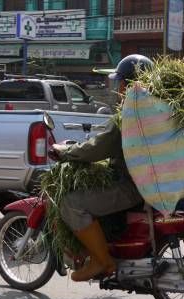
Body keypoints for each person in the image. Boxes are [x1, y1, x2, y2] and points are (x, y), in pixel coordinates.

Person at [51, 54, 153, 282]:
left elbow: (99, 148)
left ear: (129, 84)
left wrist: (67, 152)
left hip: (130, 187)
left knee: (72, 203)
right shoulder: (152, 109)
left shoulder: (132, 113)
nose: (118, 88)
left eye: (121, 83)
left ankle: (103, 262)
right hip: (143, 183)